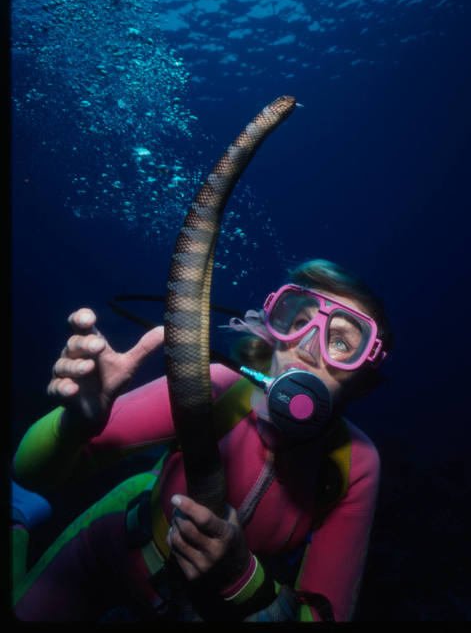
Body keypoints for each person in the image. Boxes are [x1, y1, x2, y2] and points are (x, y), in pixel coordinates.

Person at [12, 259, 392, 622]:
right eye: (299, 322)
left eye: (340, 342)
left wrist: (242, 577)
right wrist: (74, 424)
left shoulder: (355, 462)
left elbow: (325, 615)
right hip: (112, 546)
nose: (306, 348)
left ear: (362, 382)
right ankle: (18, 518)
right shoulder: (215, 386)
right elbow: (33, 475)